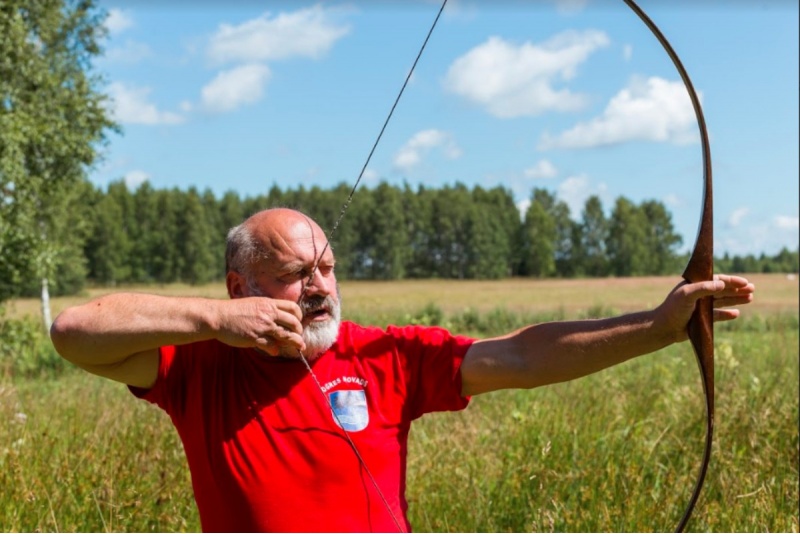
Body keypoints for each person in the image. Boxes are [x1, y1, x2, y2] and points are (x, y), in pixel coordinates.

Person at [50, 207, 755, 532]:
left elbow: (522, 353)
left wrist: (658, 328)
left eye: (327, 266)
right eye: (295, 274)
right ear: (241, 287)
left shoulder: (386, 355)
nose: (320, 286)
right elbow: (74, 331)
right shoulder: (200, 366)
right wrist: (213, 323)